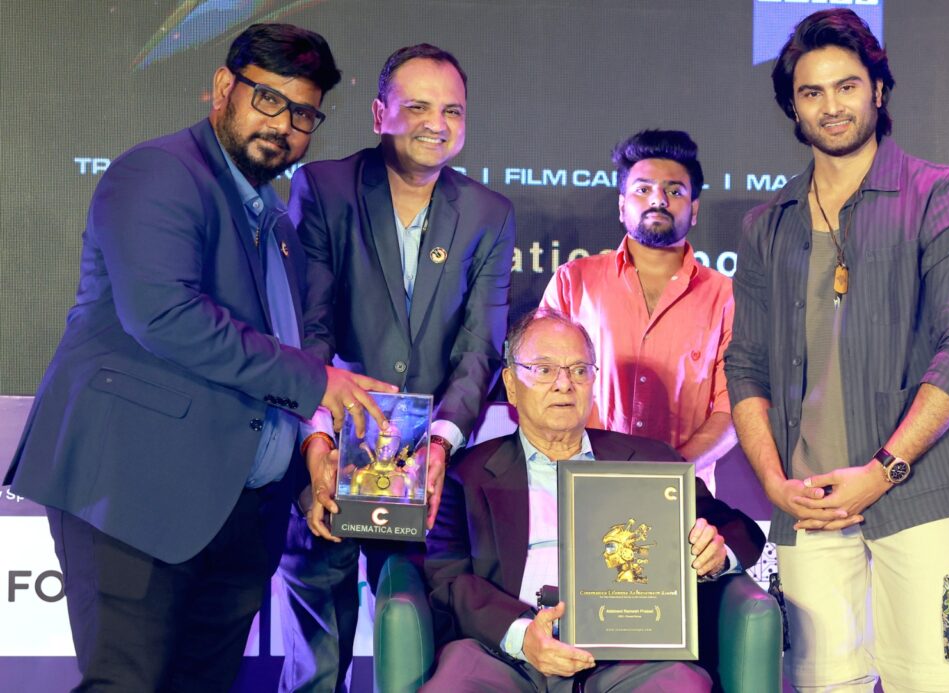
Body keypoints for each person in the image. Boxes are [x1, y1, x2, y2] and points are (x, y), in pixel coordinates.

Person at [2, 23, 396, 692]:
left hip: (238, 517)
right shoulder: (159, 173)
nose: (285, 126)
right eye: (269, 100)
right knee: (127, 683)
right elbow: (166, 317)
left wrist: (303, 472)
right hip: (137, 491)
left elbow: (264, 365)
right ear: (223, 88)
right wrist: (318, 380)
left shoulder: (276, 226)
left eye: (303, 113)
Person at [724, 8, 949, 692]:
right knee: (820, 684)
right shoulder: (768, 224)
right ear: (792, 105)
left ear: (879, 89)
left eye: (848, 86)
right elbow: (746, 363)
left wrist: (883, 469)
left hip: (924, 497)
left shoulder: (944, 195)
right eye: (812, 92)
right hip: (809, 505)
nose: (832, 106)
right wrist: (773, 485)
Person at [276, 43, 516, 692]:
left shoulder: (490, 214)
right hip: (328, 447)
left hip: (426, 469)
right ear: (380, 113)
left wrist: (440, 440)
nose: (435, 123)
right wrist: (317, 437)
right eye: (415, 106)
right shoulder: (324, 188)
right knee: (316, 655)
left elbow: (480, 348)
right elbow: (309, 327)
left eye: (452, 111)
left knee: (413, 645)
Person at [423, 310, 766, 692]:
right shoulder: (464, 474)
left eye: (579, 370)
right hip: (504, 655)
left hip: (628, 657)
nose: (564, 384)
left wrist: (718, 555)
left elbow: (742, 530)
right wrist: (523, 635)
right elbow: (448, 579)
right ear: (511, 384)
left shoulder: (651, 462)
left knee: (679, 684)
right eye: (543, 369)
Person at [541, 130, 735, 494]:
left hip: (684, 497)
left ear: (694, 210)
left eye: (675, 191)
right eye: (643, 189)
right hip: (579, 489)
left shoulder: (725, 297)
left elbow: (732, 409)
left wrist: (670, 473)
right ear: (621, 205)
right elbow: (539, 386)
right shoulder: (574, 283)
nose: (658, 200)